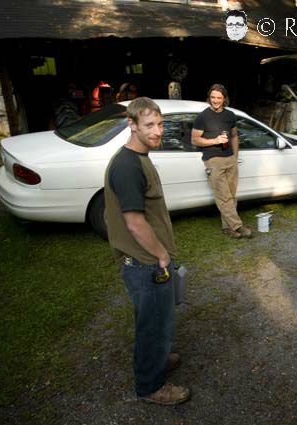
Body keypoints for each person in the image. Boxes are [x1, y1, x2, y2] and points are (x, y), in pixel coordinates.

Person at [104, 97, 191, 405]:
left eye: (160, 124)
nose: (157, 132)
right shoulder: (127, 166)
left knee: (160, 320)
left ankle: (159, 358)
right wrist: (162, 256)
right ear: (132, 125)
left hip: (149, 260)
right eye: (149, 125)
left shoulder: (140, 156)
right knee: (151, 326)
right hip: (145, 263)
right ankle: (150, 386)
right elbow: (135, 223)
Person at [192, 84, 252, 239]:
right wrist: (215, 140)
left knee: (231, 196)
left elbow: (234, 136)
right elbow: (195, 139)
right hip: (214, 160)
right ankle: (237, 226)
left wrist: (235, 155)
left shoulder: (230, 115)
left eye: (219, 98)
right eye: (213, 97)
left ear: (224, 98)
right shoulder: (203, 116)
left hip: (230, 159)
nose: (215, 101)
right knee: (223, 196)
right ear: (209, 98)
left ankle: (227, 228)